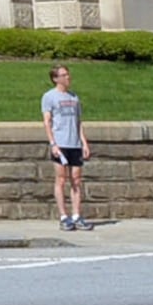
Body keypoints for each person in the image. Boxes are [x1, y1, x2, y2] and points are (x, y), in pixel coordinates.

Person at [42, 63, 88, 229]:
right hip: (60, 144)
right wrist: (53, 143)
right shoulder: (49, 97)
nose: (68, 77)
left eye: (68, 74)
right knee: (61, 179)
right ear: (55, 78)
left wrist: (84, 142)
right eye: (64, 75)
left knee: (76, 179)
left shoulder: (74, 97)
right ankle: (63, 216)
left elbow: (78, 122)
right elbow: (47, 122)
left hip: (74, 144)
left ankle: (76, 215)